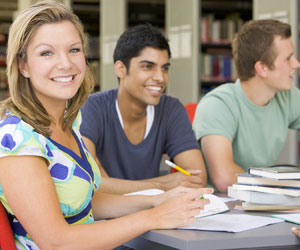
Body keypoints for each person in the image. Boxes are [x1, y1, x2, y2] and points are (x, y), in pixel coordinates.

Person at [0, 1, 213, 249]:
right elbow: (56, 242)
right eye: (47, 53)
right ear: (23, 65)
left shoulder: (68, 120)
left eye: (74, 50)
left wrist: (158, 200)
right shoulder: (16, 140)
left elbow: (85, 202)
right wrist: (153, 216)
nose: (66, 63)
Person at [80, 24, 207, 194]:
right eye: (148, 66)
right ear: (121, 69)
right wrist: (163, 184)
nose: (160, 78)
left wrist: (113, 185)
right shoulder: (92, 107)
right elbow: (89, 184)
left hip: (156, 213)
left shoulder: (170, 109)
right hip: (107, 217)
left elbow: (197, 180)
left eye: (165, 68)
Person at [192, 19, 300, 192]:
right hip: (224, 205)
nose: (296, 64)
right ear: (262, 68)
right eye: (288, 59)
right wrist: (282, 189)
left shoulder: (288, 97)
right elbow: (224, 178)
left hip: (264, 201)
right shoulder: (217, 105)